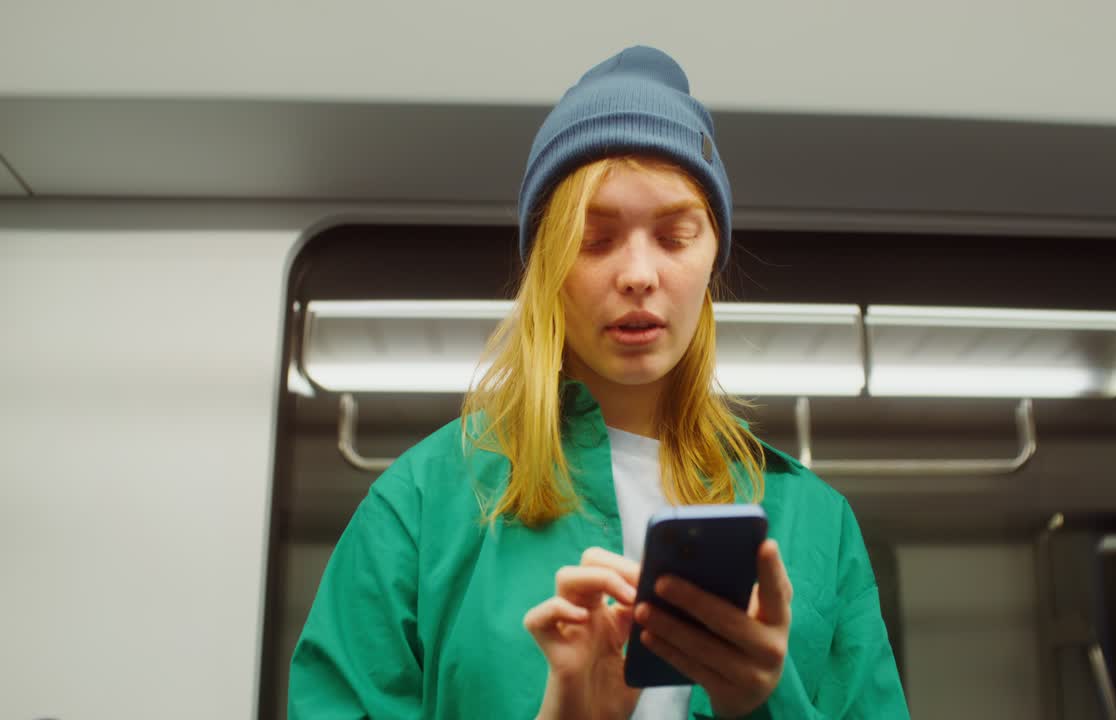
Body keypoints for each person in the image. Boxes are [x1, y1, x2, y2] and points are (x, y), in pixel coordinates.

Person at [288, 45, 908, 719]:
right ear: (548, 266)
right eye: (595, 239)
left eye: (674, 237)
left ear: (711, 262)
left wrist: (763, 703)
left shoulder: (814, 524)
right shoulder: (419, 508)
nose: (639, 274)